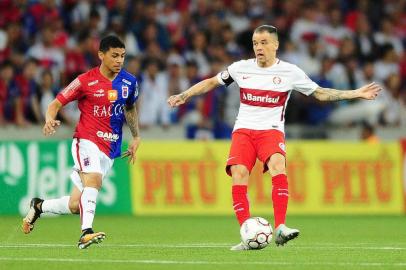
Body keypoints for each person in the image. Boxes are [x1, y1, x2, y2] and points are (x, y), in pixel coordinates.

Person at [167, 25, 381, 251]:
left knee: (278, 165)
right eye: (255, 44)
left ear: (276, 45)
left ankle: (280, 227)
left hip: (271, 130)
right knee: (239, 174)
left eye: (264, 43)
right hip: (244, 130)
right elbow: (212, 81)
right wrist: (185, 94)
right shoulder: (240, 68)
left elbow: (319, 92)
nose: (259, 48)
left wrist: (356, 93)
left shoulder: (290, 72)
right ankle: (247, 233)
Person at [22, 35, 141, 249]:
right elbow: (55, 103)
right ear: (101, 55)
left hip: (110, 146)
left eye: (122, 56)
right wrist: (49, 118)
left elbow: (130, 108)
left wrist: (136, 136)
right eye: (114, 56)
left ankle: (38, 206)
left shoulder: (129, 82)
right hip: (86, 140)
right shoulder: (85, 80)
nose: (119, 61)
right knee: (93, 181)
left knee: (75, 204)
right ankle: (86, 233)